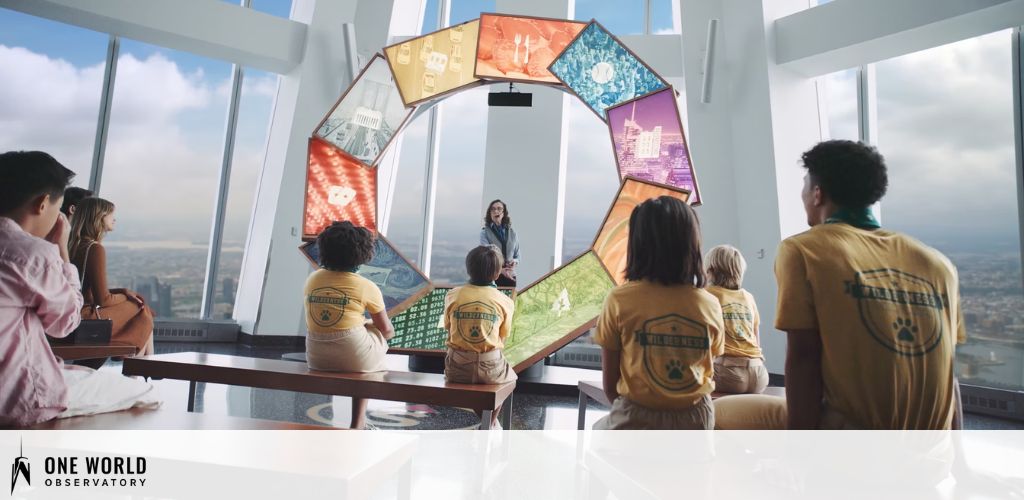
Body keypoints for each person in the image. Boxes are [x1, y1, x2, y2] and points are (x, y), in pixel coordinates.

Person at [776, 140, 964, 430]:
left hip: (854, 457)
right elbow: (949, 372)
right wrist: (957, 461)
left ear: (817, 194)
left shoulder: (804, 251)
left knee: (729, 413)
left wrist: (799, 453)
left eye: (804, 185)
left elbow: (804, 359)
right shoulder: (938, 264)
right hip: (934, 457)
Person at [0, 151, 157, 427]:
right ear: (42, 204)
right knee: (144, 394)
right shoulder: (33, 254)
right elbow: (65, 323)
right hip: (20, 397)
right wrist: (60, 248)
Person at [593, 196, 724, 430]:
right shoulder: (711, 304)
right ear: (692, 244)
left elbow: (611, 388)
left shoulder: (619, 300)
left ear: (637, 244)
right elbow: (707, 369)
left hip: (636, 417)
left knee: (596, 434)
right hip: (696, 421)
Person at [303, 221, 395, 430]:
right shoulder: (366, 286)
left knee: (360, 330)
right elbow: (387, 331)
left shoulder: (313, 280)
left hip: (316, 356)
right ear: (363, 254)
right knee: (372, 332)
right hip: (355, 358)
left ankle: (358, 423)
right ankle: (358, 422)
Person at [68, 197, 155, 363]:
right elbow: (103, 299)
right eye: (110, 215)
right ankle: (141, 369)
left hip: (71, 313)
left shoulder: (73, 245)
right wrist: (128, 297)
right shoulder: (94, 248)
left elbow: (87, 290)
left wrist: (122, 292)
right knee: (141, 308)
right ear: (99, 218)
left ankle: (146, 366)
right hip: (84, 317)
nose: (114, 219)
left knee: (143, 310)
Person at [444, 245, 517, 429]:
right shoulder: (505, 301)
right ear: (497, 273)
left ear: (468, 268)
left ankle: (488, 425)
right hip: (491, 367)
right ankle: (490, 424)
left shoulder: (453, 295)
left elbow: (448, 326)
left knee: (476, 383)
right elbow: (502, 337)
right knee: (510, 380)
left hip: (456, 368)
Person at [704, 244, 768, 394]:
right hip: (759, 373)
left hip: (727, 373)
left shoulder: (707, 295)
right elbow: (755, 335)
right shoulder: (748, 297)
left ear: (710, 271)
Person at [479, 199, 519, 287]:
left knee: (509, 300)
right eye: (493, 209)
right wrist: (500, 270)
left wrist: (514, 262)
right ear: (490, 213)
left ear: (504, 213)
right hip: (492, 277)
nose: (496, 211)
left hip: (510, 276)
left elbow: (517, 255)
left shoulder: (512, 233)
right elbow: (485, 256)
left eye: (499, 208)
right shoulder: (484, 232)